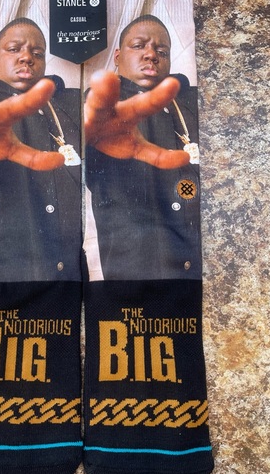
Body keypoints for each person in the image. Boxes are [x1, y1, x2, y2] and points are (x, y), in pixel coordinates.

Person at [0, 17, 82, 283]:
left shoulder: (64, 104)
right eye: (14, 49)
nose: (27, 57)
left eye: (37, 54)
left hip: (71, 274)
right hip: (10, 275)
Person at [84, 14, 201, 280]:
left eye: (162, 51)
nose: (151, 55)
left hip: (195, 256)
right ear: (117, 56)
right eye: (138, 46)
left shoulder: (188, 102)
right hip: (135, 264)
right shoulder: (100, 106)